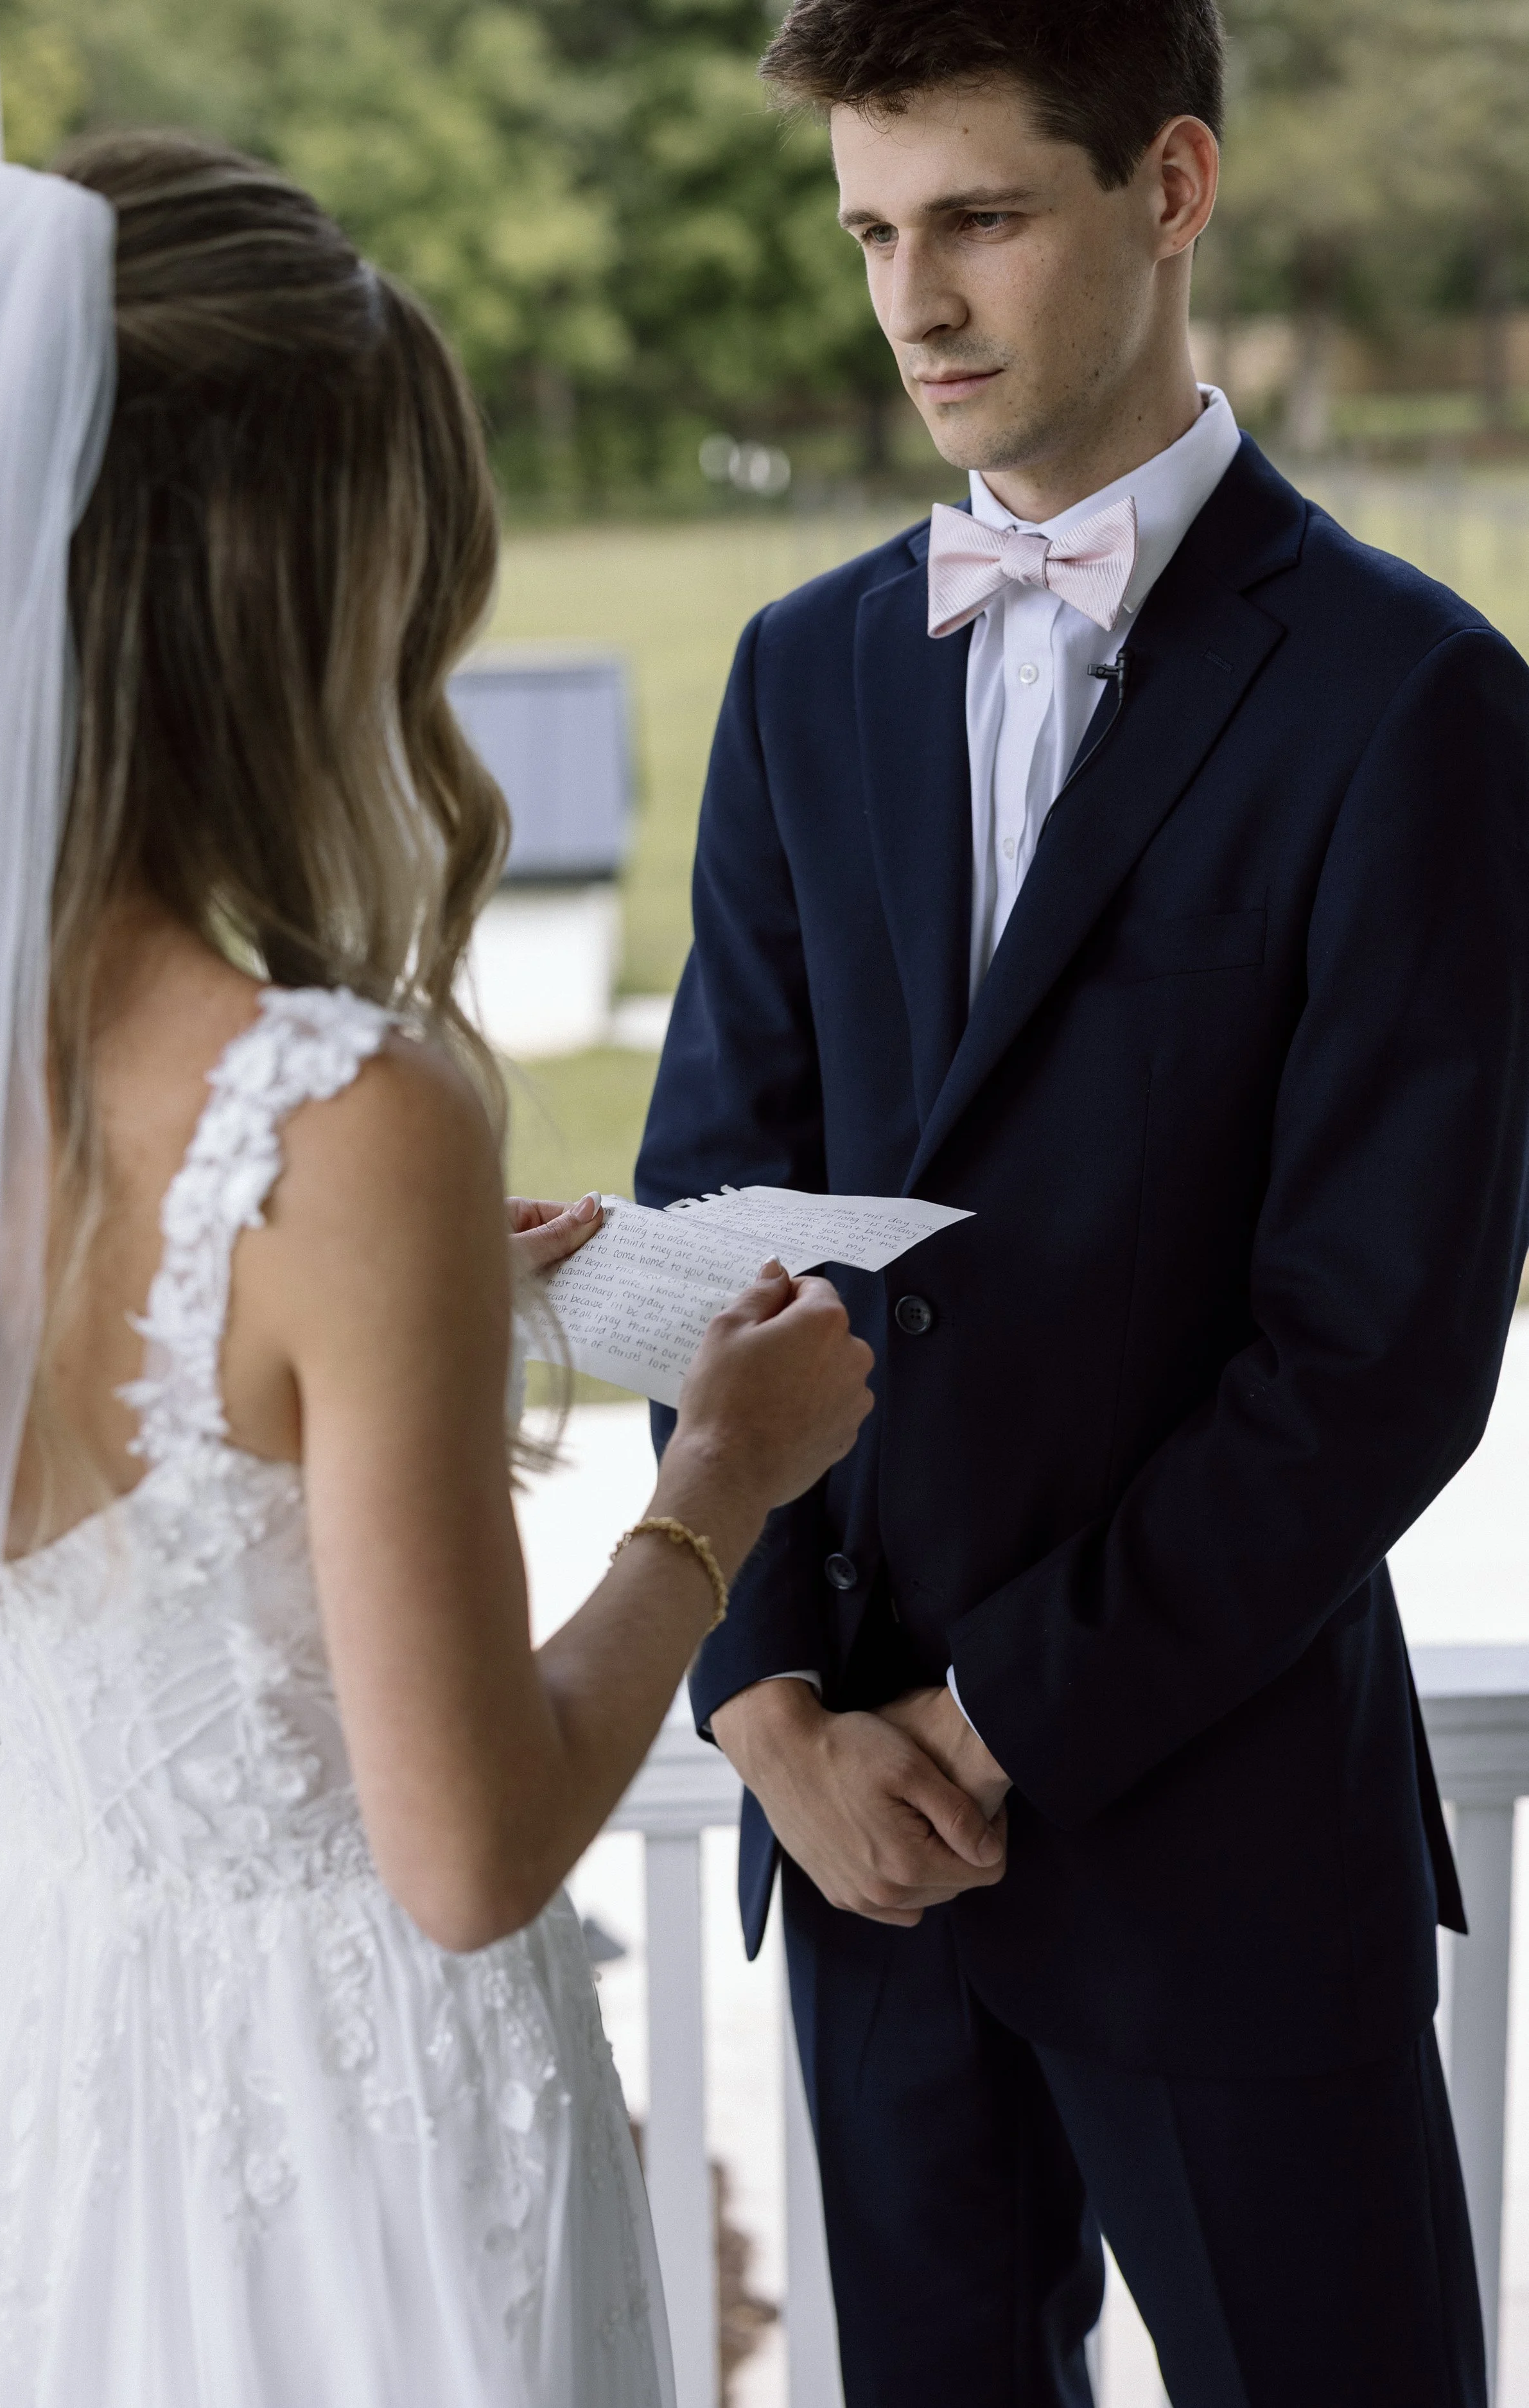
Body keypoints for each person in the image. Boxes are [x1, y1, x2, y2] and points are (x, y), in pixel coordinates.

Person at [0, 135, 877, 2408]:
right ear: (290, 598)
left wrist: (435, 1322)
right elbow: (468, 1851)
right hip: (348, 2128)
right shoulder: (345, 1115)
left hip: (48, 2049)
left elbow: (129, 1499)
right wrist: (723, 1480)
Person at [636, 4, 1529, 2402]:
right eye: (867, 233)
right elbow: (720, 1226)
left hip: (1220, 1847)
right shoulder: (798, 675)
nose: (910, 299)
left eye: (978, 220)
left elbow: (1376, 1351)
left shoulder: (1411, 700)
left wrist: (991, 1715)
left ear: (1170, 189)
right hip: (854, 1866)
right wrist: (773, 1709)